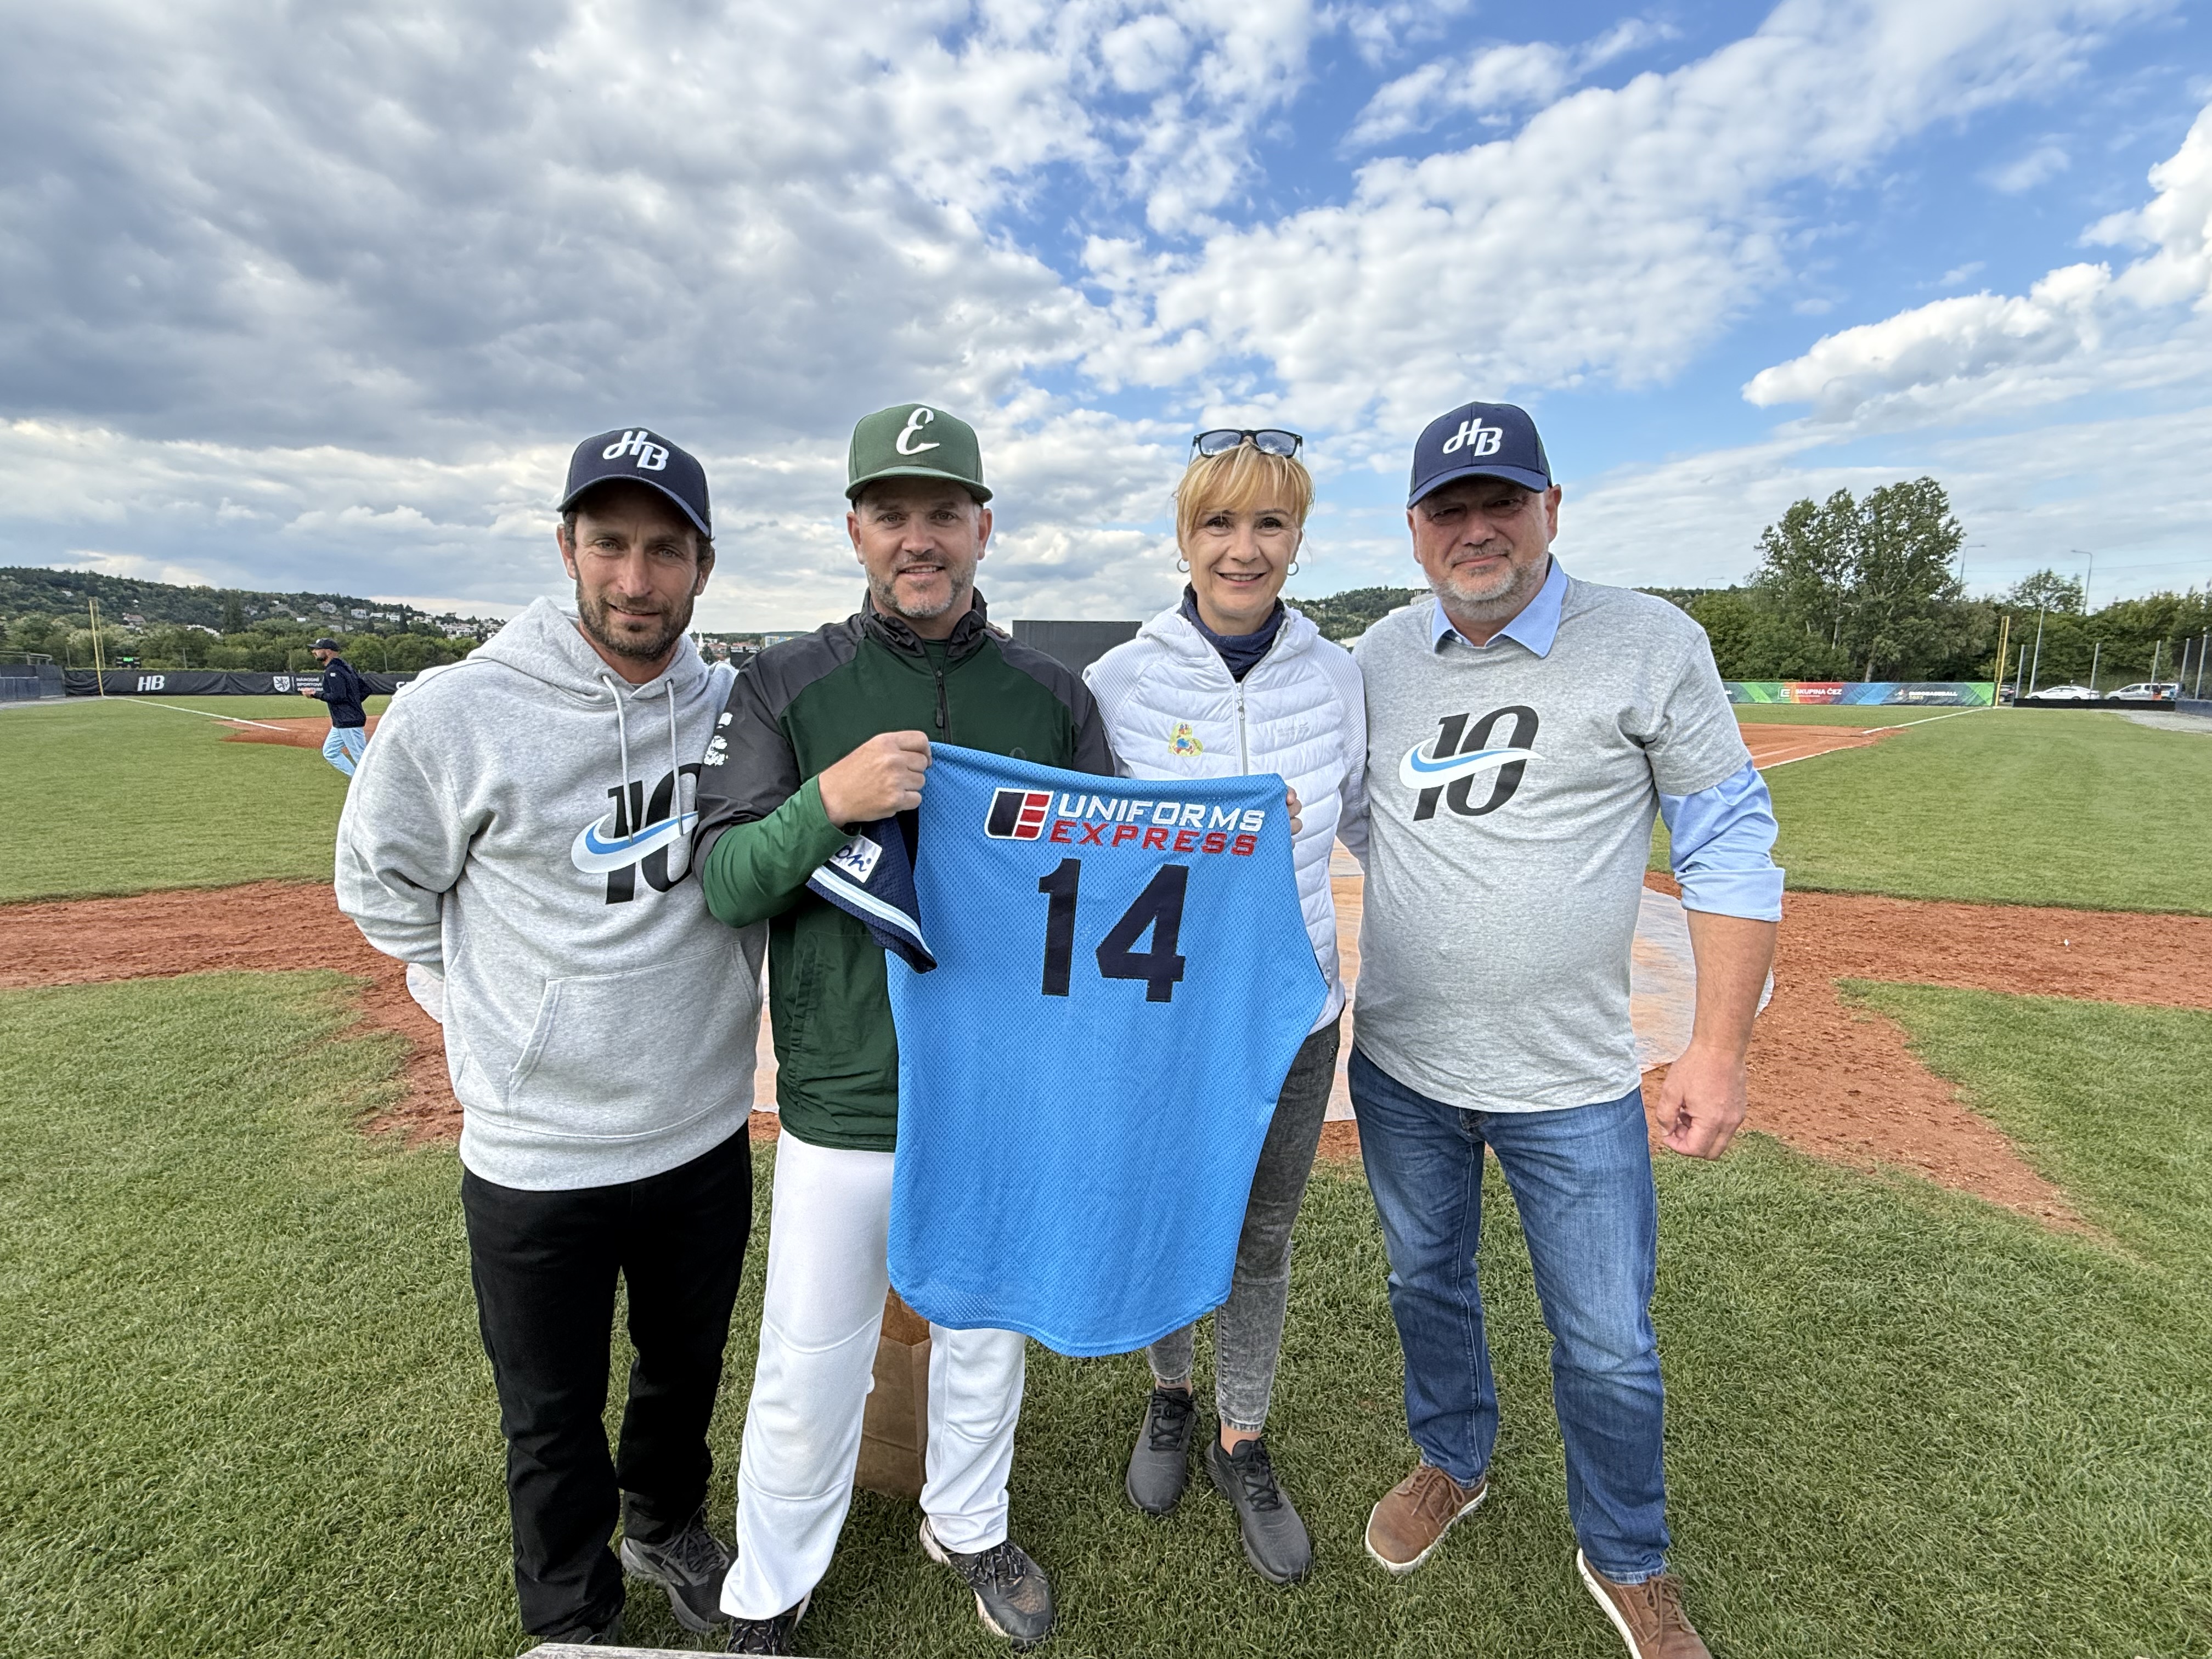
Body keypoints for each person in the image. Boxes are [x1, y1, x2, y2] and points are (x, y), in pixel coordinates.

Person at [1348, 401, 1780, 1659]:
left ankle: (1627, 1553)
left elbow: (1730, 841)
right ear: (1416, 530)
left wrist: (1718, 1048)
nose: (1477, 528)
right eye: (1450, 508)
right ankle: (1453, 1460)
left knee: (1606, 1340)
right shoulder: (1376, 656)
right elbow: (1343, 813)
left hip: (1575, 1081)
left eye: (1503, 500)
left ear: (1551, 508)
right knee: (1424, 1281)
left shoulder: (1650, 642)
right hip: (1403, 1067)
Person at [692, 402, 1114, 1656]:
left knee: (985, 1339)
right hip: (845, 1095)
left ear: (983, 527)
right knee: (811, 1355)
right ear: (855, 530)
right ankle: (771, 1584)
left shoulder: (1052, 697)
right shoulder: (786, 682)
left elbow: (1109, 890)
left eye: (942, 512)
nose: (917, 537)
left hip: (998, 1094)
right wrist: (828, 798)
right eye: (891, 513)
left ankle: (969, 1523)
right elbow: (727, 881)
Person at [335, 427, 765, 1647]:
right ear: (566, 547)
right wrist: (483, 1012)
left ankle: (666, 1523)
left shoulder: (733, 710)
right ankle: (575, 1615)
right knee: (550, 1410)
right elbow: (380, 888)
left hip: (699, 1126)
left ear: (703, 565)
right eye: (609, 543)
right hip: (537, 1148)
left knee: (683, 1371)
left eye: (665, 550)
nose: (636, 578)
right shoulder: (456, 712)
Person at [1081, 427, 1365, 1583]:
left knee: (1261, 1234)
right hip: (1166, 1013)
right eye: (1219, 522)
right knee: (1169, 1211)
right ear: (1183, 537)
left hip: (1294, 1013)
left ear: (1297, 539)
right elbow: (1086, 855)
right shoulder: (1119, 679)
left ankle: (1243, 1433)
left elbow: (1370, 825)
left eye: (1269, 523)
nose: (1243, 549)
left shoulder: (1337, 676)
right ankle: (1170, 1394)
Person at [298, 637, 369, 775]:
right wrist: (353, 703)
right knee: (330, 751)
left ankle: (374, 785)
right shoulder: (346, 667)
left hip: (348, 722)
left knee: (362, 760)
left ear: (328, 651)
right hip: (342, 722)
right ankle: (356, 780)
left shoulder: (333, 670)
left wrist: (315, 694)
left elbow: (338, 697)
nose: (314, 652)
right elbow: (366, 690)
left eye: (318, 649)